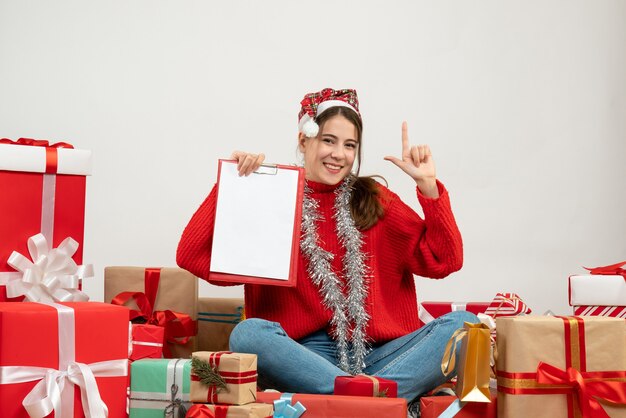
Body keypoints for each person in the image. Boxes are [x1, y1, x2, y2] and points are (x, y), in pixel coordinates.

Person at [176, 88, 478, 408]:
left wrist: (428, 187)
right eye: (328, 140)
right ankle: (372, 404)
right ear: (304, 140)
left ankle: (350, 402)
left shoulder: (373, 198)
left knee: (464, 328)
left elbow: (445, 260)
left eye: (350, 145)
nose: (339, 154)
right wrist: (232, 184)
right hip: (305, 358)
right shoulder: (273, 195)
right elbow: (191, 256)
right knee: (248, 335)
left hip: (382, 354)